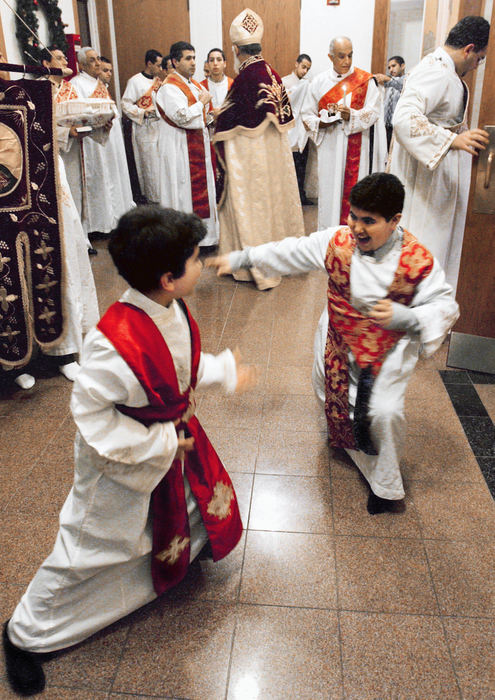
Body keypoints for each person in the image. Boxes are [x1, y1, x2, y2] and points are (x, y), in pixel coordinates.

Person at [2, 205, 257, 697]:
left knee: (188, 501)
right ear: (168, 277)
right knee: (92, 546)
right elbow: (91, 415)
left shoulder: (166, 306)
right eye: (194, 259)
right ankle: (25, 635)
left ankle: (180, 558)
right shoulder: (112, 343)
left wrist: (223, 371)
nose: (201, 264)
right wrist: (159, 441)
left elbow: (174, 367)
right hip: (123, 459)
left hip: (170, 438)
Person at [207, 172, 459, 513]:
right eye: (353, 216)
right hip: (338, 337)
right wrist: (240, 259)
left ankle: (385, 488)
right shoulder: (338, 241)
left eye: (368, 221)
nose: (356, 228)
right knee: (328, 390)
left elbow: (445, 306)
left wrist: (408, 318)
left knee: (382, 415)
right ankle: (347, 442)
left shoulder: (418, 261)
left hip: (387, 351)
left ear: (395, 220)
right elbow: (290, 250)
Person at [389, 15, 490, 293]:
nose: (477, 65)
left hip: (437, 178)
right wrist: (452, 141)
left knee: (434, 257)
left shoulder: (446, 71)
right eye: (479, 59)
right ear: (469, 49)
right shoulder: (436, 71)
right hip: (425, 184)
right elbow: (403, 119)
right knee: (423, 254)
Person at [213, 7, 304, 291]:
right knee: (274, 202)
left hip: (249, 160)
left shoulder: (244, 79)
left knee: (250, 205)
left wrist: (217, 119)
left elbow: (228, 121)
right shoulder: (273, 73)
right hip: (274, 160)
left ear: (237, 49)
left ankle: (253, 264)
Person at [301, 36, 387, 229]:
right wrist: (323, 123)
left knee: (355, 195)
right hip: (330, 150)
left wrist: (353, 116)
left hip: (358, 150)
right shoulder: (318, 83)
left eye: (350, 55)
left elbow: (374, 112)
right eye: (341, 56)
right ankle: (329, 239)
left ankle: (355, 239)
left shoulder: (365, 81)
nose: (347, 61)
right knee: (330, 196)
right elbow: (306, 116)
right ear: (330, 57)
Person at [154, 41, 219, 247]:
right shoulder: (169, 88)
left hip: (197, 145)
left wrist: (211, 116)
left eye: (194, 58)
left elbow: (199, 118)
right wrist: (202, 102)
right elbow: (181, 117)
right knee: (182, 189)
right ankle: (184, 238)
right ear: (175, 61)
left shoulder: (195, 85)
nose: (193, 63)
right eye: (188, 58)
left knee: (200, 190)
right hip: (179, 148)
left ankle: (205, 237)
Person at [67, 47, 134, 239]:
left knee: (112, 176)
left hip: (110, 138)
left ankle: (113, 218)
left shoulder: (100, 84)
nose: (97, 63)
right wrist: (97, 118)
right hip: (92, 142)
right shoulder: (76, 85)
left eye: (98, 59)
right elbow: (75, 112)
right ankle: (99, 223)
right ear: (81, 64)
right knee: (98, 178)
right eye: (92, 60)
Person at [122, 49, 164, 203]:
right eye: (158, 65)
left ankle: (163, 198)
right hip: (144, 129)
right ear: (149, 64)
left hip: (159, 128)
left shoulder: (158, 82)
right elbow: (125, 104)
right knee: (149, 166)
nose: (160, 69)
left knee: (160, 166)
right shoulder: (135, 81)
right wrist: (143, 112)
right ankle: (152, 200)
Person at [282, 53, 314, 205]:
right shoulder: (285, 81)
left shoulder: (308, 84)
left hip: (303, 129)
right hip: (289, 130)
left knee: (302, 165)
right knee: (290, 165)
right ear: (296, 64)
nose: (305, 71)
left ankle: (301, 195)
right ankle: (289, 198)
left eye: (307, 69)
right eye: (303, 67)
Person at [374, 55, 406, 149]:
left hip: (398, 128)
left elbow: (401, 86)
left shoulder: (407, 81)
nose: (391, 70)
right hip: (386, 127)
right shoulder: (388, 84)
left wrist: (388, 79)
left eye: (394, 66)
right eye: (389, 67)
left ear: (402, 66)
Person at [200, 48, 234, 121]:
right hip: (208, 129)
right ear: (208, 64)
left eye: (219, 60)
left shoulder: (233, 84)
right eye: (211, 60)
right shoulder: (200, 86)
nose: (215, 63)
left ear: (224, 63)